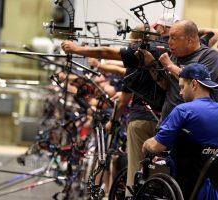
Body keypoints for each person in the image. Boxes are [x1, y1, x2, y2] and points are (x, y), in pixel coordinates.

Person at [61, 14, 178, 195]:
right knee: (161, 171)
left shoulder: (142, 55)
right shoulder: (174, 52)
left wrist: (77, 49)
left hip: (142, 120)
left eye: (132, 43)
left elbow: (122, 96)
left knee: (136, 172)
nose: (130, 47)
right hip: (170, 121)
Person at [142, 63, 218, 200]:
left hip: (184, 183)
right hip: (213, 185)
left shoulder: (183, 110)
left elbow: (156, 146)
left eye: (182, 86)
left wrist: (145, 145)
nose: (180, 92)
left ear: (194, 84)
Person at [138, 20, 218, 121]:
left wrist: (170, 66)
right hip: (168, 120)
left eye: (173, 38)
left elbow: (201, 85)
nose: (169, 42)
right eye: (169, 37)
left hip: (192, 122)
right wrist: (151, 64)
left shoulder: (209, 56)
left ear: (189, 40)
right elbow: (165, 85)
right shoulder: (175, 55)